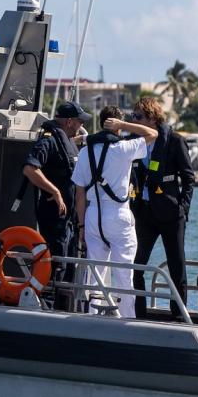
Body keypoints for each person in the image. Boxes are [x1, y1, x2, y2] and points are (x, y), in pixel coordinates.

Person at [70, 105, 157, 317]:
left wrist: (81, 225)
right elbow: (153, 133)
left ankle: (93, 317)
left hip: (92, 217)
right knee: (124, 274)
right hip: (117, 214)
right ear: (117, 126)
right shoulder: (123, 149)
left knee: (95, 274)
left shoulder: (85, 151)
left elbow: (79, 194)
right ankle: (127, 319)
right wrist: (125, 125)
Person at [129, 95, 195, 318]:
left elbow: (188, 177)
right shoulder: (134, 141)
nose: (134, 120)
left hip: (170, 212)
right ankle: (138, 311)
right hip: (145, 212)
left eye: (138, 116)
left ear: (151, 118)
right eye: (133, 116)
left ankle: (178, 314)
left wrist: (183, 208)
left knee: (177, 265)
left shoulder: (174, 141)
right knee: (137, 263)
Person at [21, 101, 87, 309]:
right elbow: (30, 169)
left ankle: (62, 306)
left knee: (67, 260)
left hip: (68, 217)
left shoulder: (67, 140)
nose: (80, 125)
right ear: (69, 121)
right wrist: (54, 191)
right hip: (53, 214)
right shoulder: (49, 141)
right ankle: (47, 305)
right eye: (79, 121)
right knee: (55, 260)